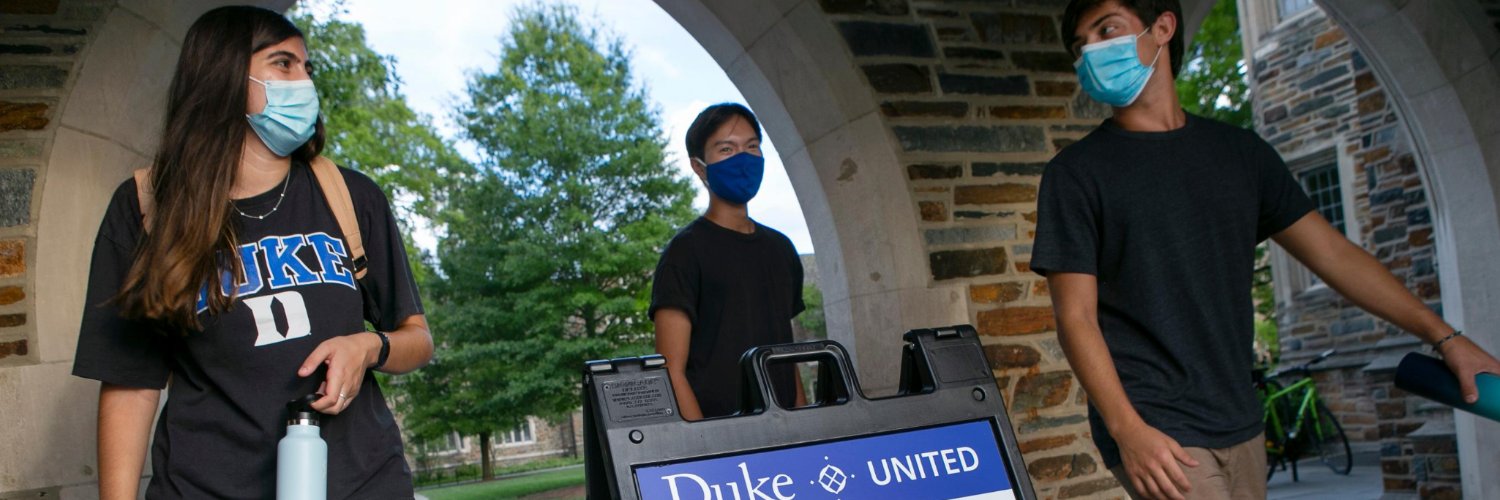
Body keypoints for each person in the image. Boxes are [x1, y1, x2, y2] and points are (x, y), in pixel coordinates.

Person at [1031, 1, 1500, 499]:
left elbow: (1335, 257)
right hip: (1156, 421)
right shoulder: (1077, 175)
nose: (1094, 53)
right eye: (1081, 46)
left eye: (1108, 30)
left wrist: (1446, 338)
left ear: (1162, 27)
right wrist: (1127, 429)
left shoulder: (1241, 155)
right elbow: (1076, 318)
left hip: (1240, 418)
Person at [71, 6, 431, 499]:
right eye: (283, 64)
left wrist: (370, 346)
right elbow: (130, 383)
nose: (303, 82)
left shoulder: (349, 195)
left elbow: (417, 338)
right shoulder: (144, 208)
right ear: (221, 77)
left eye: (307, 68)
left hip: (362, 483)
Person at [651, 103, 806, 420]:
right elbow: (670, 370)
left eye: (752, 147)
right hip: (723, 438)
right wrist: (709, 448)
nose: (743, 158)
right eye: (726, 149)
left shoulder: (781, 249)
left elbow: (786, 355)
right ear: (699, 166)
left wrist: (804, 423)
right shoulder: (684, 254)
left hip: (786, 433)